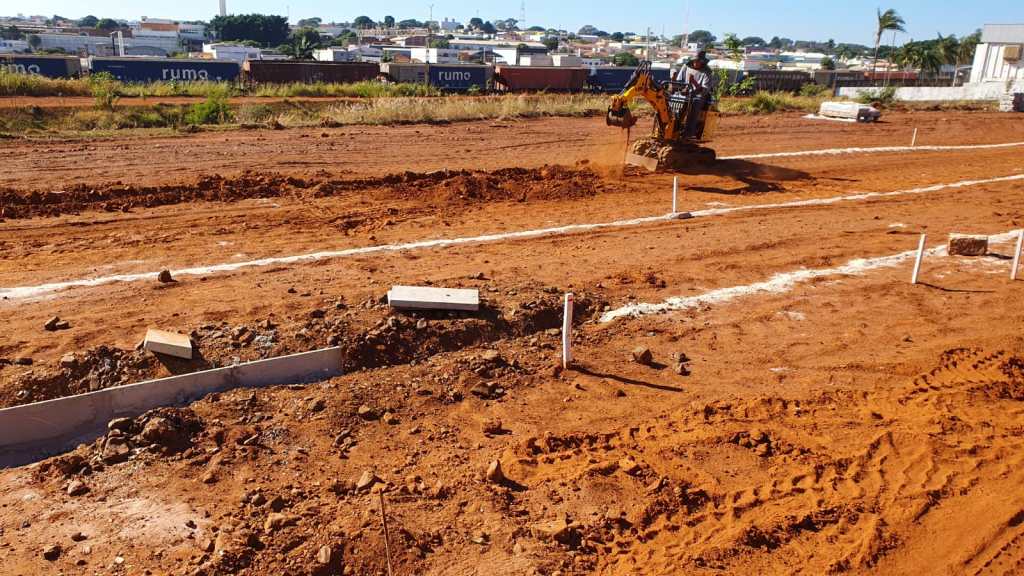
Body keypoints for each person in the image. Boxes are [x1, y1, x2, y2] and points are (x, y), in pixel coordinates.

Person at [675, 51, 715, 138]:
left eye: (699, 61)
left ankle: (689, 133)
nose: (696, 63)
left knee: (695, 103)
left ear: (703, 62)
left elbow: (704, 90)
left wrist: (693, 82)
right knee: (673, 100)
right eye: (695, 61)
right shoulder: (686, 67)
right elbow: (679, 81)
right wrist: (681, 88)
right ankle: (674, 128)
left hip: (699, 95)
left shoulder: (707, 72)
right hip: (685, 92)